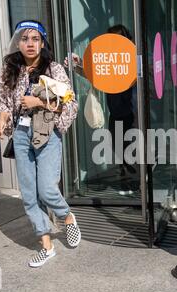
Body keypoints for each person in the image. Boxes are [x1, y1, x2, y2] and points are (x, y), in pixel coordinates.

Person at [0, 20, 81, 268]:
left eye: (35, 39)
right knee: (29, 195)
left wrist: (39, 103)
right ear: (18, 43)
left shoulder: (53, 70)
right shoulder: (10, 69)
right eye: (25, 39)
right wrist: (0, 122)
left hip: (47, 134)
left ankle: (67, 218)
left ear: (43, 43)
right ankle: (47, 245)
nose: (30, 44)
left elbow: (70, 104)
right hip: (20, 136)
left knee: (47, 189)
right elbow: (4, 103)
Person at [65, 25, 138, 195]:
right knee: (117, 144)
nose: (113, 42)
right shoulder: (110, 60)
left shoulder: (131, 58)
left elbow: (135, 78)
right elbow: (95, 76)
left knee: (131, 145)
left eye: (117, 38)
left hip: (131, 110)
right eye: (111, 38)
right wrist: (78, 66)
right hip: (116, 111)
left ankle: (135, 183)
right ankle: (127, 178)